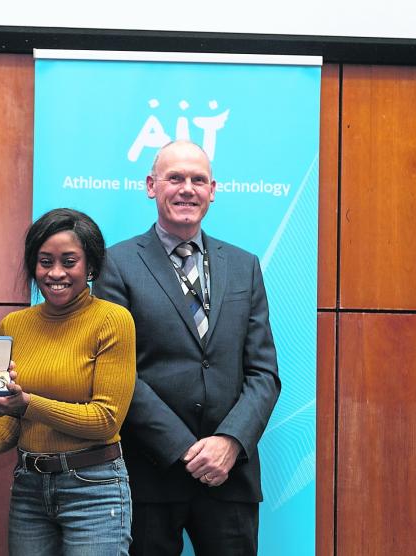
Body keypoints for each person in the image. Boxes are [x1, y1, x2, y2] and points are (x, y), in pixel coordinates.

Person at [93, 140, 281, 555]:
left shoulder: (244, 265)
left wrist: (230, 442)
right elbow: (118, 372)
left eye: (198, 180)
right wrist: (184, 448)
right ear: (150, 186)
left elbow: (263, 373)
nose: (187, 189)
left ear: (212, 190)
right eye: (174, 178)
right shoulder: (115, 264)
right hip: (151, 475)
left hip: (230, 476)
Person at [0, 208, 137, 556]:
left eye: (68, 261)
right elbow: (11, 422)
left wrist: (27, 403)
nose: (55, 273)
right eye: (45, 262)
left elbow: (106, 420)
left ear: (90, 267)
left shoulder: (113, 320)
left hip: (95, 490)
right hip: (29, 487)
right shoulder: (14, 325)